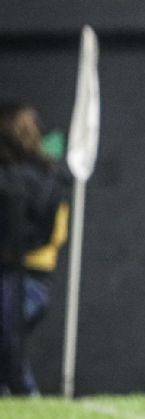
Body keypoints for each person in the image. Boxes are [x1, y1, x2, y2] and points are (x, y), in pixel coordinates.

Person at [0, 102, 70, 396]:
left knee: (9, 347)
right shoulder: (50, 177)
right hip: (34, 281)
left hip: (22, 280)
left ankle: (26, 393)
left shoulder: (17, 180)